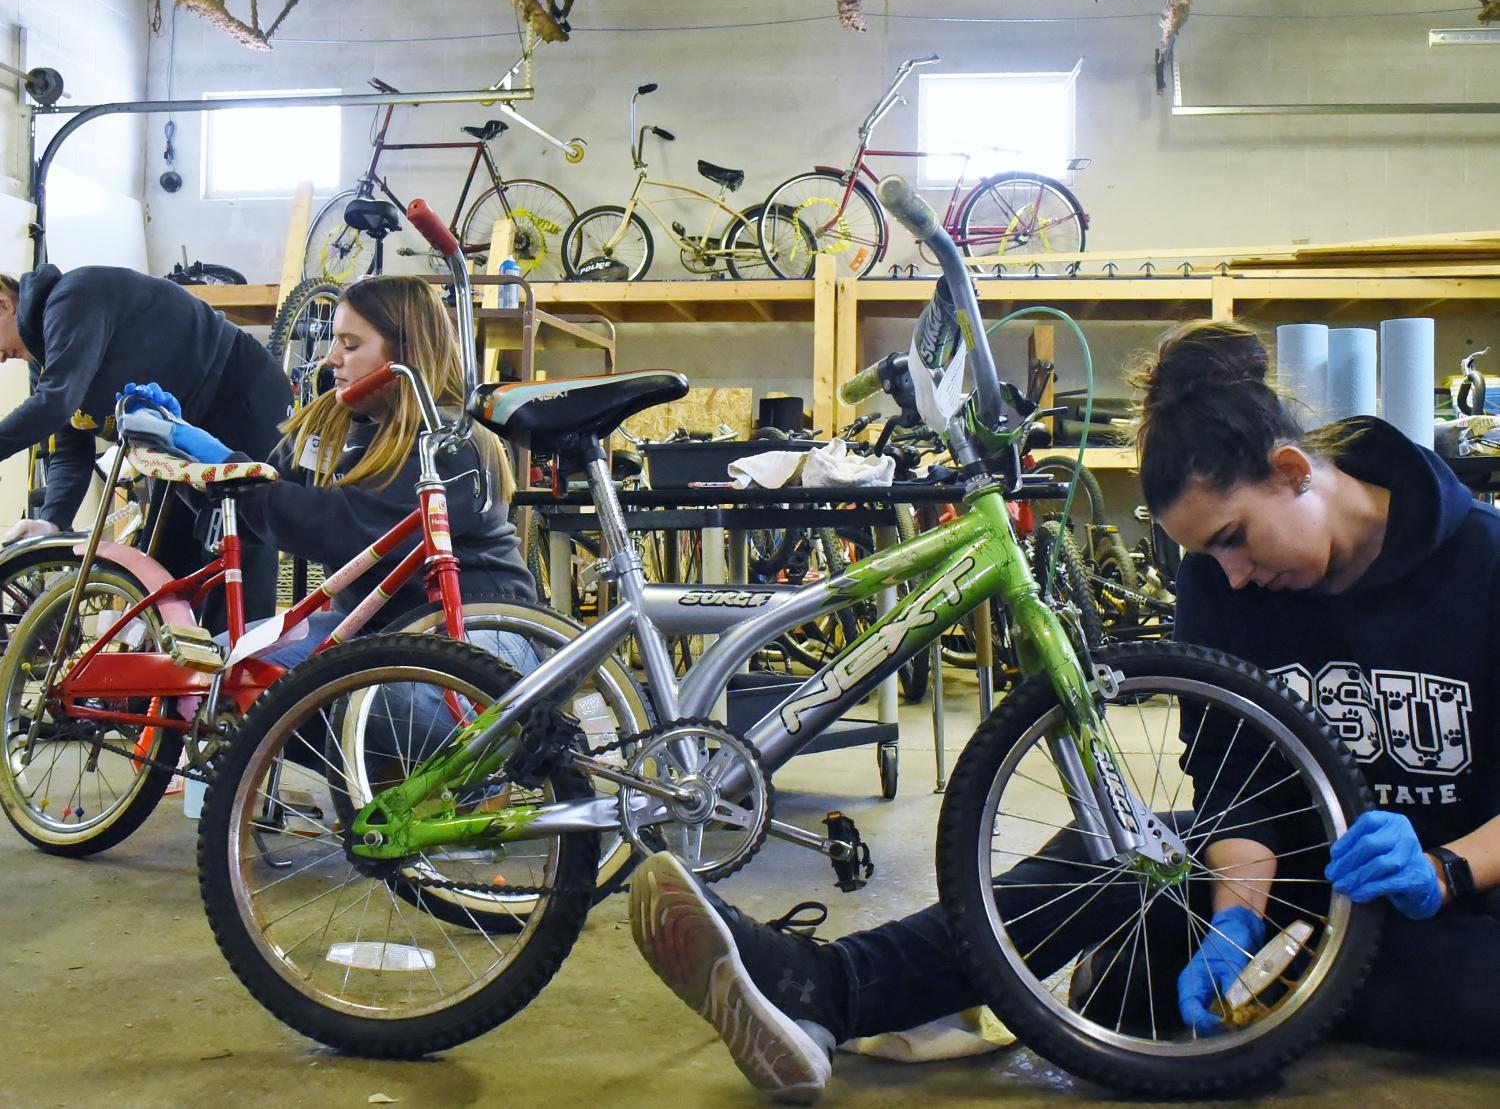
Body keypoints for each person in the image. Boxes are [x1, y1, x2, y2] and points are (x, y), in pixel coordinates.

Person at [625, 318, 1500, 1103]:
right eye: (1205, 553)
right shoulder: (1219, 584)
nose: (1229, 574)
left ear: (1292, 471)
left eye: (1233, 537)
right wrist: (1235, 915)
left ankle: (1258, 984)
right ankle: (824, 988)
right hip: (1304, 891)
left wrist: (1450, 867)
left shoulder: (1482, 561)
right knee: (1112, 852)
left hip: (1462, 898)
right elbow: (1239, 788)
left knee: (1450, 985)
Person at [131, 273, 535, 670]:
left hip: (478, 629)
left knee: (370, 703)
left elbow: (341, 526)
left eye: (351, 344)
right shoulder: (334, 424)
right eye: (334, 342)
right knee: (225, 668)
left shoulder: (448, 440)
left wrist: (227, 463)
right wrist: (187, 462)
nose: (332, 359)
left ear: (405, 352)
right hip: (378, 629)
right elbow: (257, 510)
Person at [0, 264, 292, 621]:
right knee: (167, 563)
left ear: (3, 305)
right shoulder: (43, 356)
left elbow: (55, 403)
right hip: (179, 429)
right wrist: (52, 522)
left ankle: (241, 668)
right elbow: (69, 447)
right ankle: (181, 670)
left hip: (238, 391)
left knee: (239, 537)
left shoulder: (72, 297)